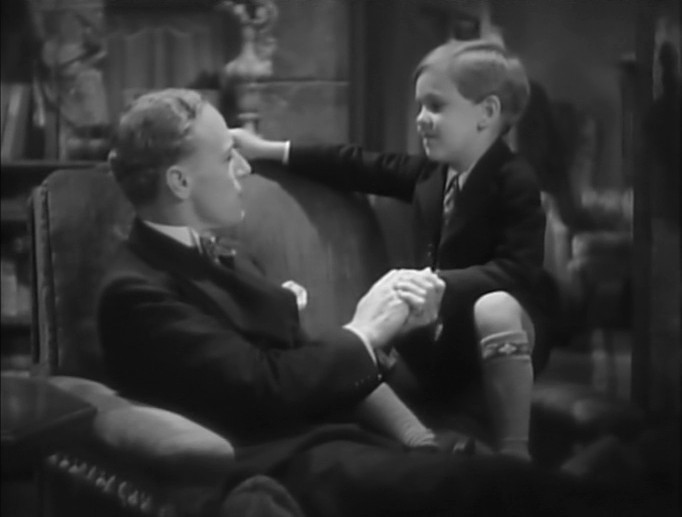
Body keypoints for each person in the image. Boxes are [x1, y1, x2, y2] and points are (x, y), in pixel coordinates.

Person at [99, 87, 652, 517]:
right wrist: (365, 330)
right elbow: (267, 386)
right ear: (179, 182)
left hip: (340, 433)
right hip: (283, 462)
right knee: (494, 486)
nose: (244, 168)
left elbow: (295, 353)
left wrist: (411, 419)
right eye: (227, 158)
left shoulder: (226, 254)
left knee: (524, 477)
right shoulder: (136, 293)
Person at [232, 39, 558, 460]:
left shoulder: (514, 179)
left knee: (494, 306)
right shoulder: (431, 175)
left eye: (436, 106)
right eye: (419, 106)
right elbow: (355, 163)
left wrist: (438, 283)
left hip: (505, 327)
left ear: (487, 113)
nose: (421, 119)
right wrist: (268, 150)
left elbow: (519, 269)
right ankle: (420, 441)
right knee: (353, 352)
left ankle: (515, 451)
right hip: (441, 341)